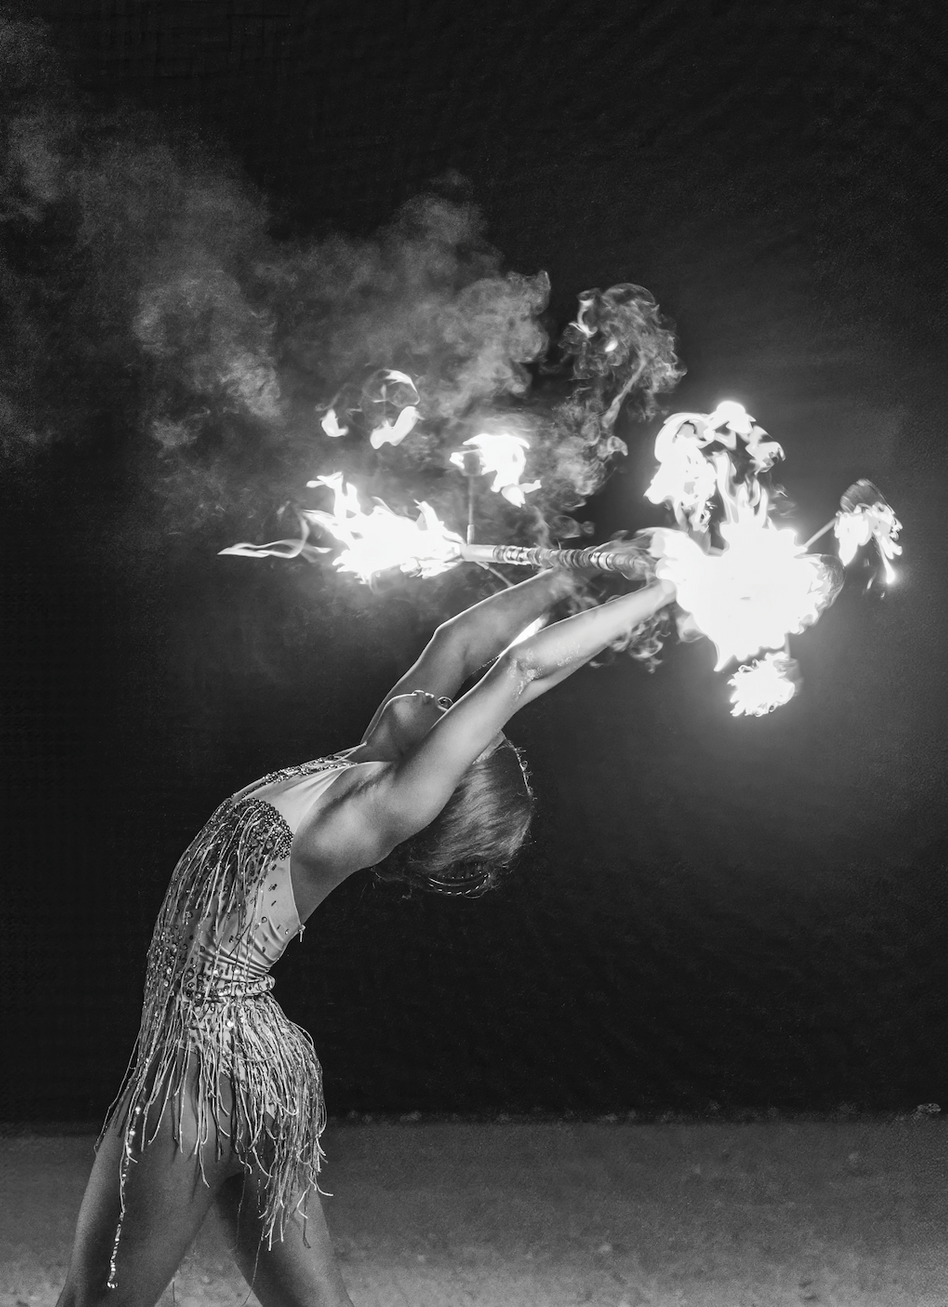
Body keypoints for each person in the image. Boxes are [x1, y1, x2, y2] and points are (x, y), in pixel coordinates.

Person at [55, 550, 679, 1307]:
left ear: (440, 776)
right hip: (248, 1063)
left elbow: (517, 673)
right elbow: (459, 639)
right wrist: (570, 574)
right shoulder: (363, 760)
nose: (444, 700)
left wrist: (673, 587)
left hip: (200, 1068)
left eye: (458, 723)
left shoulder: (377, 809)